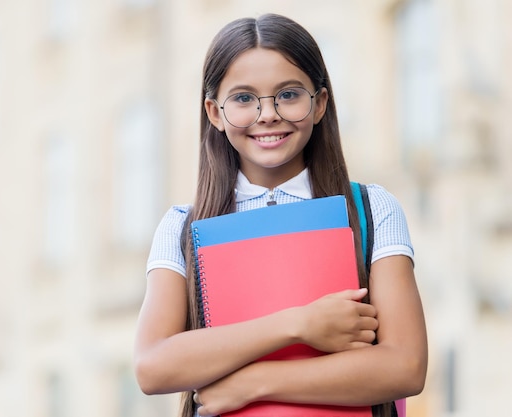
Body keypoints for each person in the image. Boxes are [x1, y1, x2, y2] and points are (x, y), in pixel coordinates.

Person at [134, 13, 427, 417]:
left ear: (320, 103)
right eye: (242, 98)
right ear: (214, 112)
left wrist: (255, 383)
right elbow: (153, 366)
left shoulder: (371, 210)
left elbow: (406, 366)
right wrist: (299, 324)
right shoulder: (182, 227)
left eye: (288, 94)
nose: (267, 114)